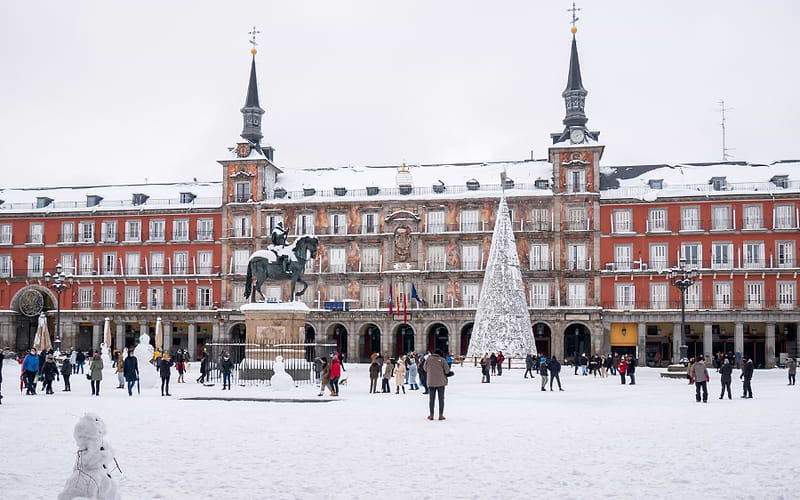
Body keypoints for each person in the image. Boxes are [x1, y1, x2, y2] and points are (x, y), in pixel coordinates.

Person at [424, 349, 451, 421]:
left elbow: (425, 368)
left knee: (431, 399)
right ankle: (440, 415)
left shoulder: (428, 359)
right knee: (441, 399)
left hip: (431, 382)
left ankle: (431, 415)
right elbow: (447, 371)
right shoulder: (442, 360)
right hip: (441, 382)